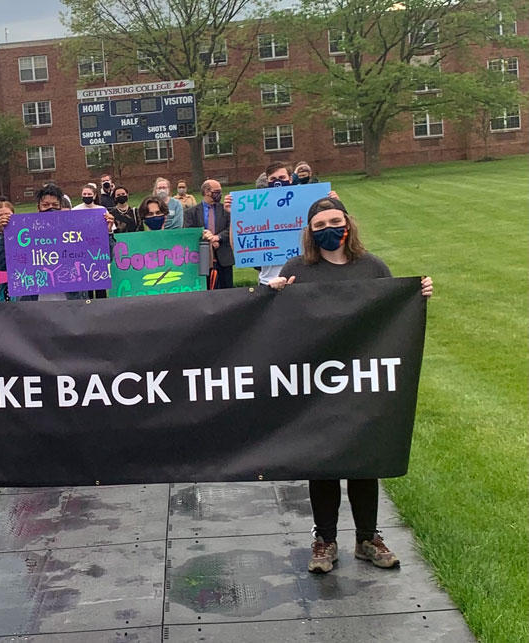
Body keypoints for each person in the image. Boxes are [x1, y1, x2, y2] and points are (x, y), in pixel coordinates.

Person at [269, 197, 433, 575]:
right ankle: (324, 540)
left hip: (363, 380)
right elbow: (278, 324)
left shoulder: (372, 267)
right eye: (319, 223)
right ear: (310, 232)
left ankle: (367, 538)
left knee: (363, 458)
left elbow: (394, 314)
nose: (329, 229)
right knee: (323, 460)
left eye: (334, 220)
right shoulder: (298, 270)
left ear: (348, 223)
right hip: (317, 384)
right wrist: (273, 295)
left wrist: (416, 294)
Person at [0, 185, 112, 301]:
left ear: (60, 207)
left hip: (71, 302)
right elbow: (1, 264)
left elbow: (105, 257)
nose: (51, 208)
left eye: (55, 205)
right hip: (33, 302)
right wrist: (2, 234)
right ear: (38, 207)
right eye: (45, 205)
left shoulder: (75, 232)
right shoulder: (23, 234)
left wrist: (107, 233)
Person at [254, 162, 339, 286]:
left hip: (305, 277)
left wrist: (335, 205)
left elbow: (333, 226)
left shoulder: (306, 201)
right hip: (269, 280)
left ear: (290, 179)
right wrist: (234, 215)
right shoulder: (255, 209)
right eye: (272, 179)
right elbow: (240, 245)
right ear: (267, 180)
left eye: (282, 178)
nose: (277, 182)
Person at [184, 180, 234, 289]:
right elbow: (189, 232)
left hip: (224, 256)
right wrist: (208, 240)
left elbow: (231, 227)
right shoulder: (191, 212)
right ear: (207, 192)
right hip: (202, 257)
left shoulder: (226, 210)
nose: (220, 194)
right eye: (217, 191)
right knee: (205, 289)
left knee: (227, 289)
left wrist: (217, 238)